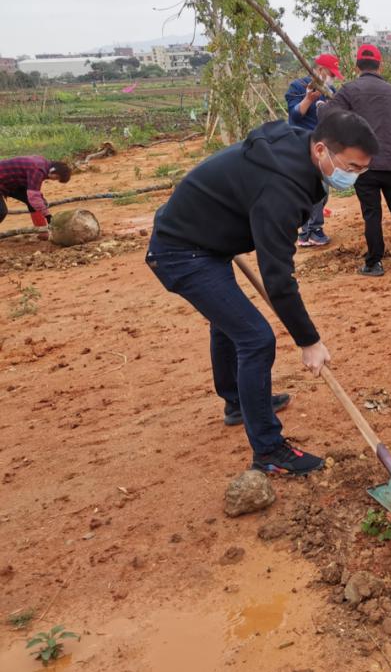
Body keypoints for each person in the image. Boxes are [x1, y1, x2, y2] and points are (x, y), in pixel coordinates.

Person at [146, 112, 377, 476]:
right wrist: (309, 341)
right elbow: (278, 278)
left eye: (363, 169)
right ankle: (269, 450)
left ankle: (238, 403)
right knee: (255, 339)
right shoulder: (279, 189)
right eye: (351, 166)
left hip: (203, 238)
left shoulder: (297, 146)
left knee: (228, 324)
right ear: (321, 149)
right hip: (181, 252)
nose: (355, 175)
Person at [322, 44, 391, 277]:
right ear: (380, 65)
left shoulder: (349, 90)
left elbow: (326, 115)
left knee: (371, 213)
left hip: (365, 165)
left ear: (357, 66)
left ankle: (374, 262)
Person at [285, 53, 341, 247]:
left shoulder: (329, 89)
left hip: (323, 147)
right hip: (303, 145)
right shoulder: (298, 87)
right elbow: (294, 116)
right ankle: (314, 229)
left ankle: (305, 232)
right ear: (319, 70)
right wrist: (308, 99)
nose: (332, 77)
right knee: (318, 188)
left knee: (323, 191)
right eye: (330, 73)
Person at [0, 156, 71, 229]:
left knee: (34, 203)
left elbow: (34, 195)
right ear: (53, 170)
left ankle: (41, 230)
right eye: (56, 177)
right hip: (4, 181)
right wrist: (48, 216)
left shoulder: (43, 164)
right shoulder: (38, 170)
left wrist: (43, 204)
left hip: (9, 182)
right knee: (1, 212)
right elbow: (34, 197)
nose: (53, 180)